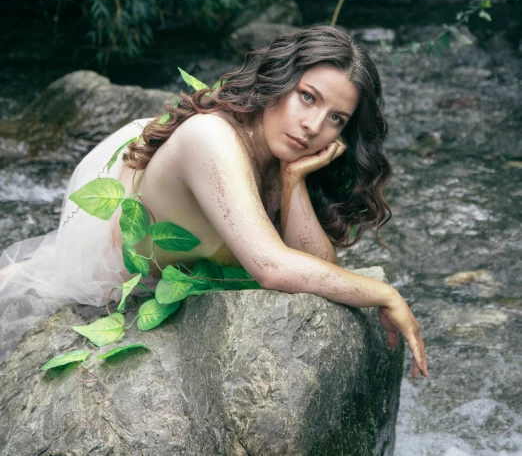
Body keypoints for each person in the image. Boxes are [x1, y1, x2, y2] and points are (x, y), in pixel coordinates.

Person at [0, 25, 427, 378]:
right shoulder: (213, 138)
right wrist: (384, 293)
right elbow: (272, 267)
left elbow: (317, 263)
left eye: (337, 119)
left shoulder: (281, 156)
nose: (314, 125)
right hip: (113, 270)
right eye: (307, 96)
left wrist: (294, 181)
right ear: (278, 79)